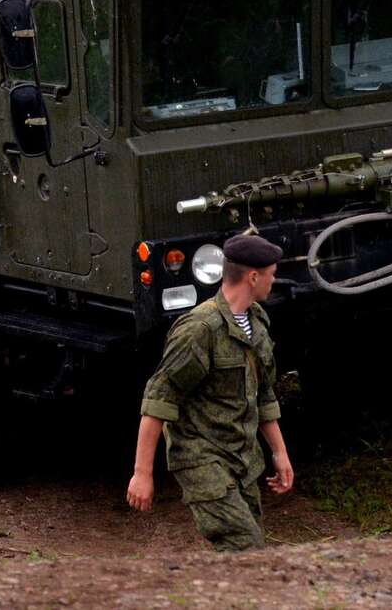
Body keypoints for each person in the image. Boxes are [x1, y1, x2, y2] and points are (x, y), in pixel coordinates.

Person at [125, 233, 293, 551]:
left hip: (242, 459)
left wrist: (279, 453)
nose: (274, 281)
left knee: (247, 548)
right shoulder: (199, 330)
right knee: (245, 547)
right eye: (271, 274)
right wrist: (142, 474)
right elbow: (159, 400)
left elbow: (263, 395)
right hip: (201, 459)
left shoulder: (256, 324)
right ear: (253, 277)